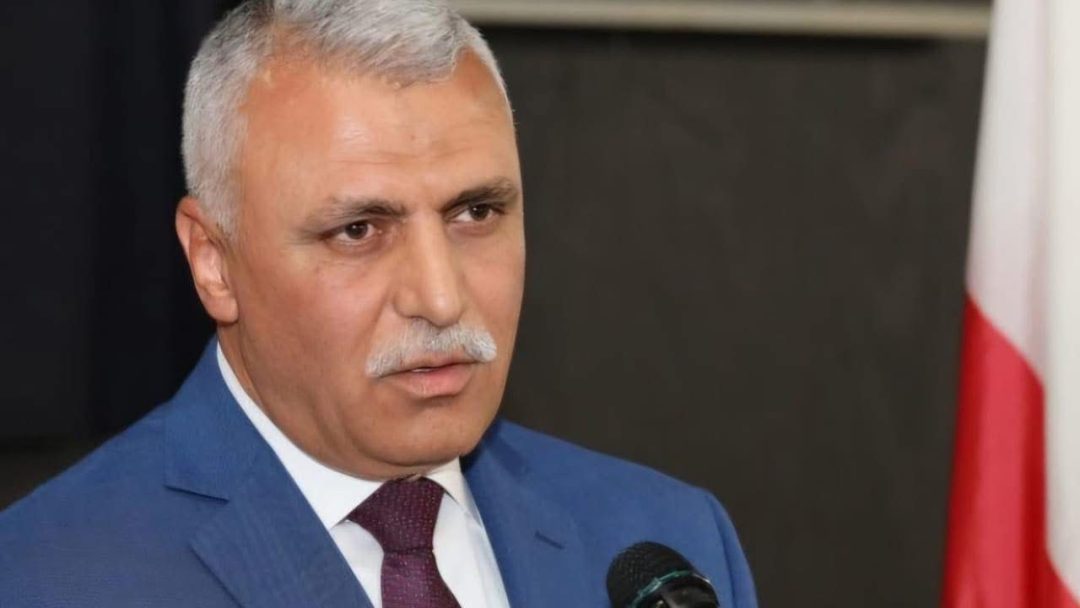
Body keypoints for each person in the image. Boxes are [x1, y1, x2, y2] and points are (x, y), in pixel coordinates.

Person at [0, 1, 757, 606]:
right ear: (213, 262)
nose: (441, 297)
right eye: (358, 230)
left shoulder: (668, 543)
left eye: (476, 213)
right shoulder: (47, 578)